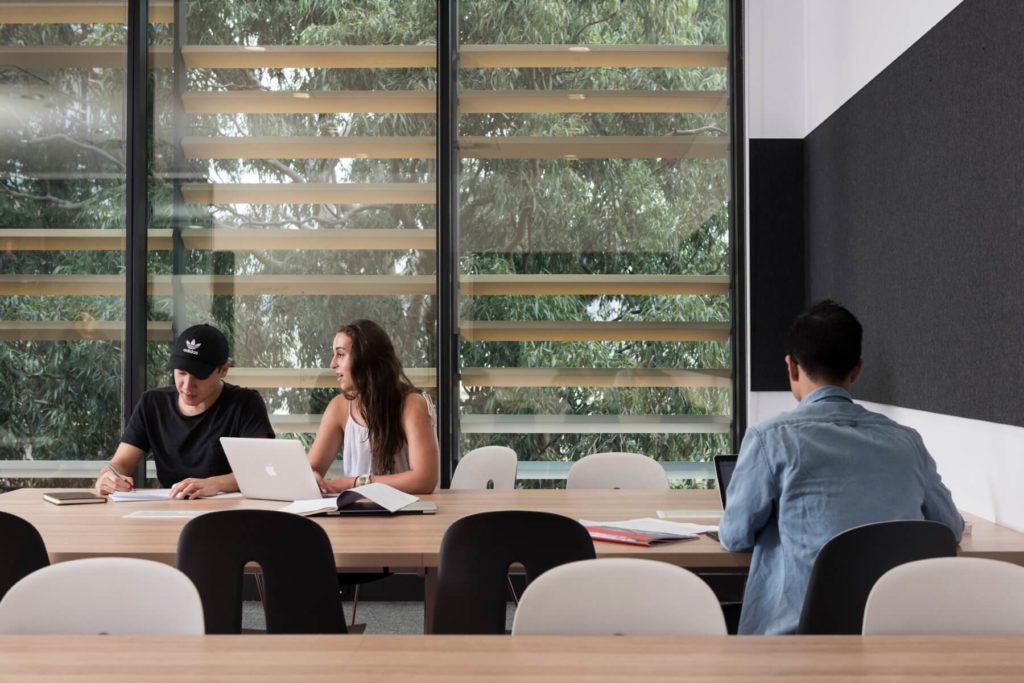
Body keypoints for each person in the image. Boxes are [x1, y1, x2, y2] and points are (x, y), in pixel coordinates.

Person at [718, 300, 963, 635]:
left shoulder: (771, 439)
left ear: (792, 367)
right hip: (892, 638)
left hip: (794, 643)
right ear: (857, 369)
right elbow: (949, 527)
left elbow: (734, 536)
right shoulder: (908, 442)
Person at [94, 324, 274, 499]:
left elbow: (261, 469)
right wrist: (108, 476)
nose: (187, 386)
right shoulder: (153, 403)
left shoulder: (245, 404)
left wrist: (215, 484)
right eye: (181, 373)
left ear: (223, 370)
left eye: (199, 376)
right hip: (168, 509)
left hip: (226, 513)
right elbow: (121, 463)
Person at [307, 319, 439, 495]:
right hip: (357, 515)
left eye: (340, 354)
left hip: (411, 516)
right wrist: (313, 477)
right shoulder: (338, 407)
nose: (332, 364)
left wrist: (353, 483)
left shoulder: (412, 404)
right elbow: (309, 471)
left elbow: (424, 480)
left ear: (365, 359)